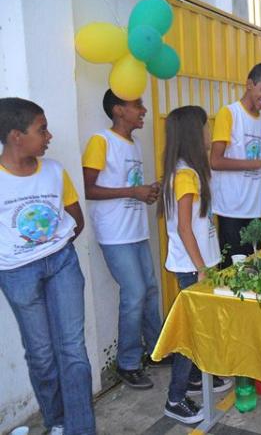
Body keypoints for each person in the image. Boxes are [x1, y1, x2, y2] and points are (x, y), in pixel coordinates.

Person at [0, 97, 96, 434]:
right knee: (40, 355)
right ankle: (57, 422)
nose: (49, 136)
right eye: (41, 130)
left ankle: (81, 429)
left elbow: (76, 218)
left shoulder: (54, 171)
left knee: (73, 350)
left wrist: (57, 248)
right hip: (17, 275)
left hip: (61, 265)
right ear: (15, 136)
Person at [82, 89, 163, 389]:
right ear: (118, 110)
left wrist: (146, 192)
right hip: (115, 233)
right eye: (137, 105)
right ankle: (127, 363)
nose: (143, 110)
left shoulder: (135, 143)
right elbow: (87, 189)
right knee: (135, 293)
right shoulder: (100, 141)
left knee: (150, 290)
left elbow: (127, 186)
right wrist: (133, 192)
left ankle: (155, 350)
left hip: (136, 229)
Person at [157, 105, 232, 423]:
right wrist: (202, 267)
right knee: (191, 333)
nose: (209, 133)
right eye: (205, 127)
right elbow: (185, 227)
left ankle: (195, 378)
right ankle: (175, 399)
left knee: (201, 327)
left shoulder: (190, 170)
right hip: (192, 267)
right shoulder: (186, 175)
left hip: (198, 263)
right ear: (193, 133)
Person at [210, 63, 261, 267]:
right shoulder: (229, 114)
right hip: (231, 209)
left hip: (254, 208)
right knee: (234, 273)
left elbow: (254, 155)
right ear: (249, 85)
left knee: (255, 270)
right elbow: (215, 161)